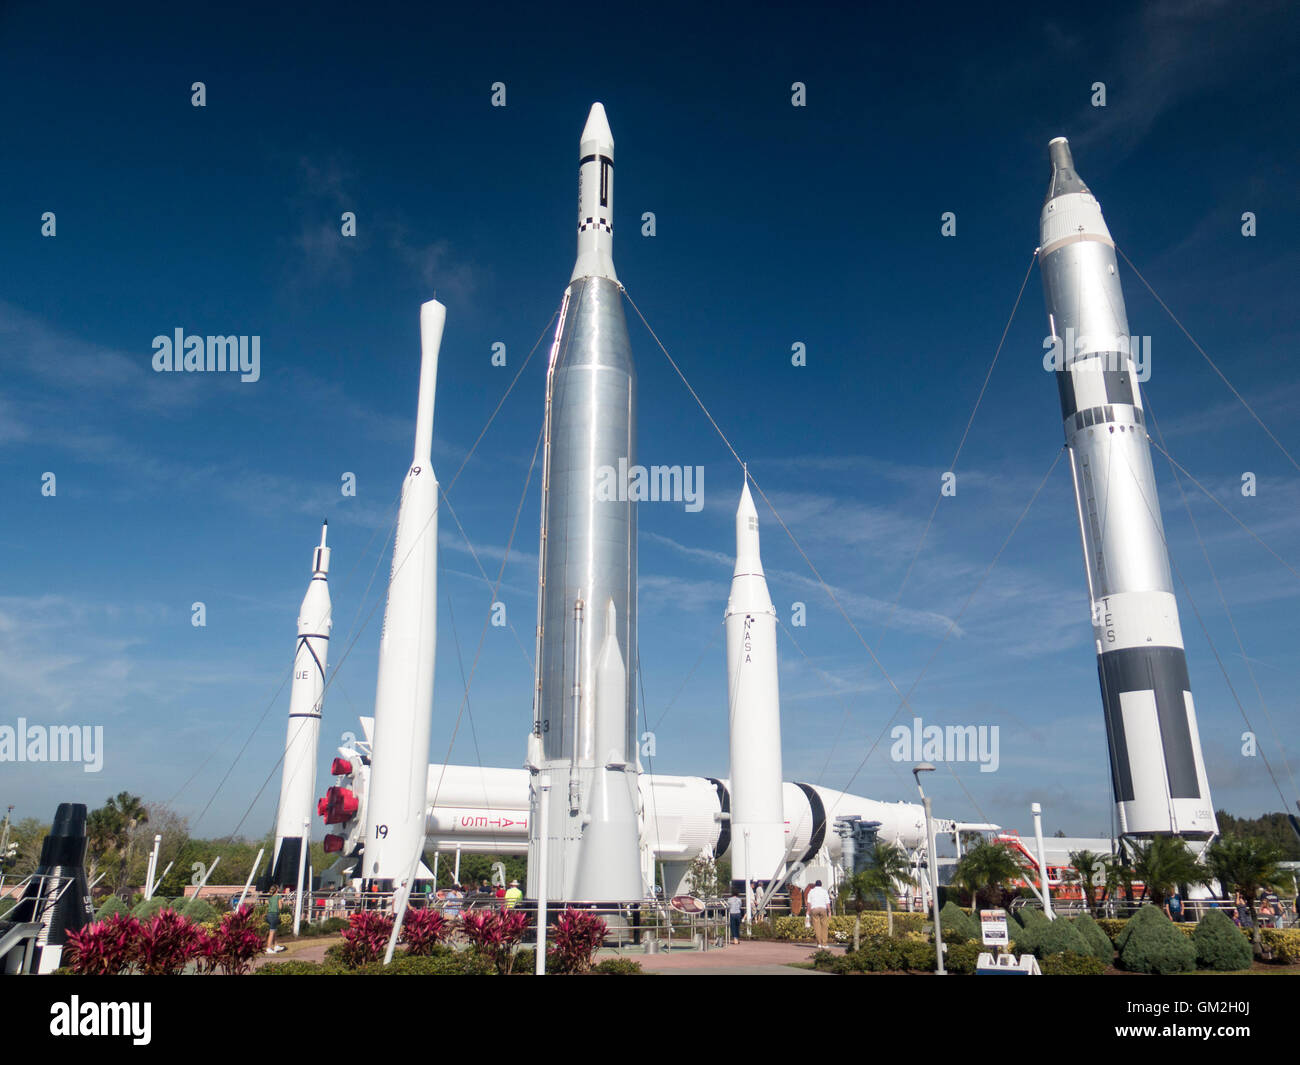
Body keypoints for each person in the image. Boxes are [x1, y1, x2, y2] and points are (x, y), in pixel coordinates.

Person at [806, 880, 832, 948]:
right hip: (823, 909)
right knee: (824, 926)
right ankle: (824, 943)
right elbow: (827, 903)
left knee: (817, 927)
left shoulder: (811, 891)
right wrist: (829, 911)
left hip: (814, 909)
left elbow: (809, 903)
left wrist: (808, 912)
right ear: (821, 884)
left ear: (815, 885)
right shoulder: (824, 891)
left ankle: (819, 943)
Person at [264, 885, 285, 954]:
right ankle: (268, 948)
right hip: (274, 915)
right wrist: (282, 902)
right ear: (277, 890)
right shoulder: (279, 896)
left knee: (274, 931)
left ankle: (276, 946)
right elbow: (280, 908)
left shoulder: (270, 897)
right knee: (272, 932)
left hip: (269, 915)